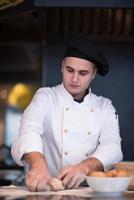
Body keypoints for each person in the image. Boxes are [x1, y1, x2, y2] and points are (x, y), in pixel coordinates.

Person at [11, 32, 123, 192]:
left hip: (87, 193)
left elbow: (112, 146)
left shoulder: (104, 107)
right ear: (62, 66)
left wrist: (85, 168)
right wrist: (38, 165)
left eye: (83, 73)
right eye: (70, 70)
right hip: (46, 190)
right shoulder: (45, 97)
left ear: (93, 73)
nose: (75, 79)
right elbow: (29, 131)